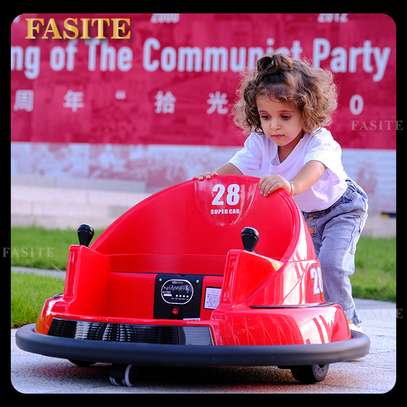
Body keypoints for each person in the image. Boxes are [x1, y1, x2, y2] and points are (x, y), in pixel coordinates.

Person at [196, 54, 368, 332]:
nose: (274, 125)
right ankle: (311, 318)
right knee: (298, 268)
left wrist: (291, 186)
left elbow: (315, 168)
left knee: (331, 265)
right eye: (266, 116)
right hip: (301, 215)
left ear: (306, 112)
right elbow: (237, 166)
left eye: (285, 116)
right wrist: (215, 179)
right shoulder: (260, 142)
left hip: (341, 210)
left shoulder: (319, 140)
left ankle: (347, 320)